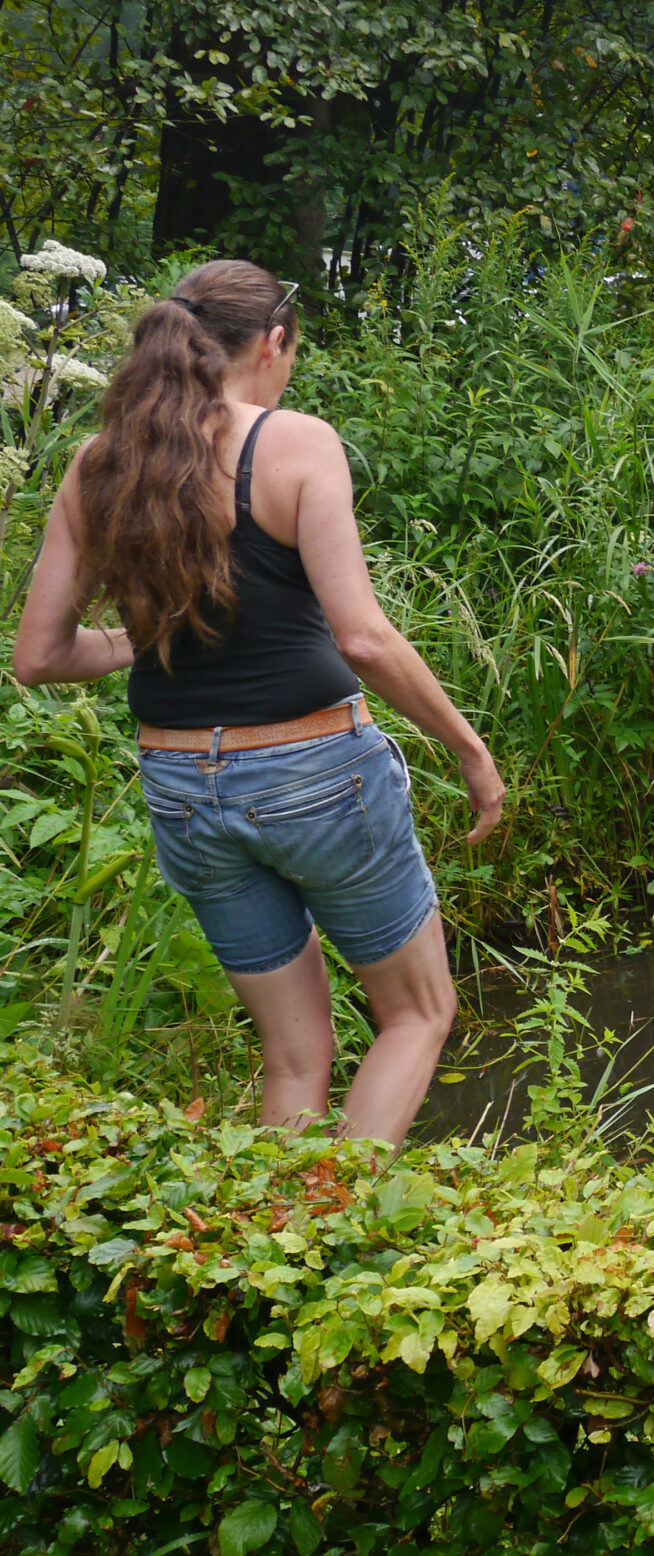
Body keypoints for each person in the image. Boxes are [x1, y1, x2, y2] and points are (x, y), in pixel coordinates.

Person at [11, 259, 505, 1145]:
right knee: (417, 1013)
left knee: (293, 1056)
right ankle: (341, 1214)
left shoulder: (101, 463)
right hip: (316, 771)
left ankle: (278, 1224)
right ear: (272, 343)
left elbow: (39, 656)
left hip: (181, 788)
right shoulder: (296, 443)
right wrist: (469, 747)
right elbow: (363, 637)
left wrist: (144, 637)